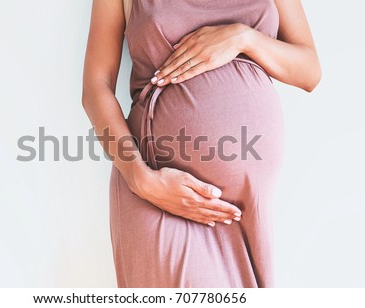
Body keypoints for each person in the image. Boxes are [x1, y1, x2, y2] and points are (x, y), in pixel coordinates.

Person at [81, 0, 321, 287]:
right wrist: (140, 179)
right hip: (161, 190)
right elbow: (95, 86)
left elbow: (309, 71)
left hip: (247, 206)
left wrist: (242, 38)